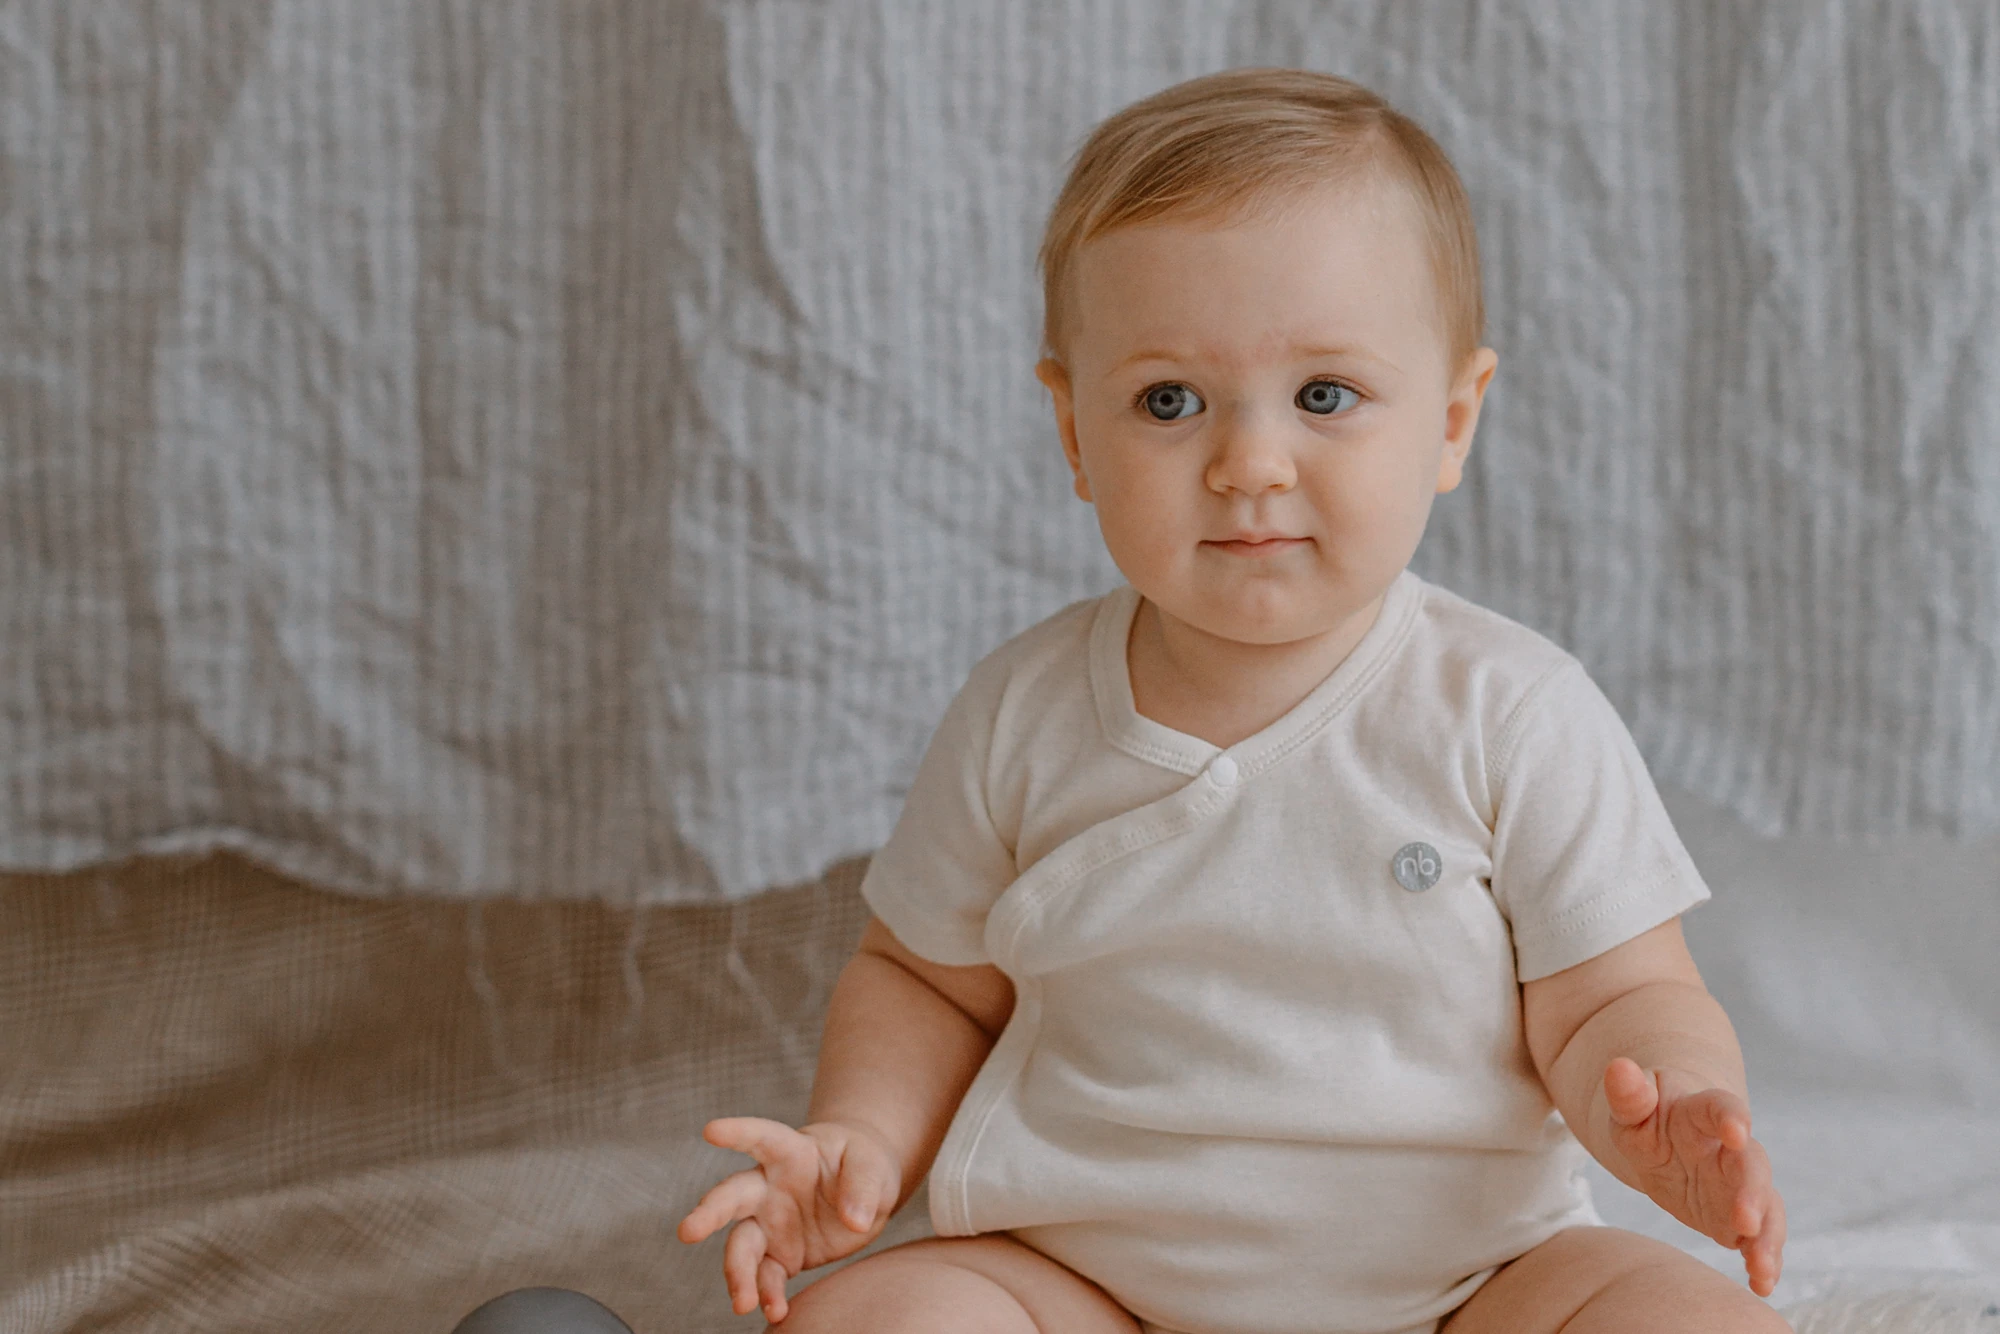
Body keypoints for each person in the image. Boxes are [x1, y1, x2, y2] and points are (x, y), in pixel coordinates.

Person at [673, 67, 1790, 1334]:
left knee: (1686, 1319)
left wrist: (1668, 1099)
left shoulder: (1509, 710)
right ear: (1074, 432)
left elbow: (1615, 992)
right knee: (884, 1316)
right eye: (1169, 401)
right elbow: (927, 982)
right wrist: (860, 1139)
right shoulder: (1022, 713)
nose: (1247, 463)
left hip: (1466, 1286)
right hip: (1086, 1283)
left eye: (1324, 396)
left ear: (1450, 420)